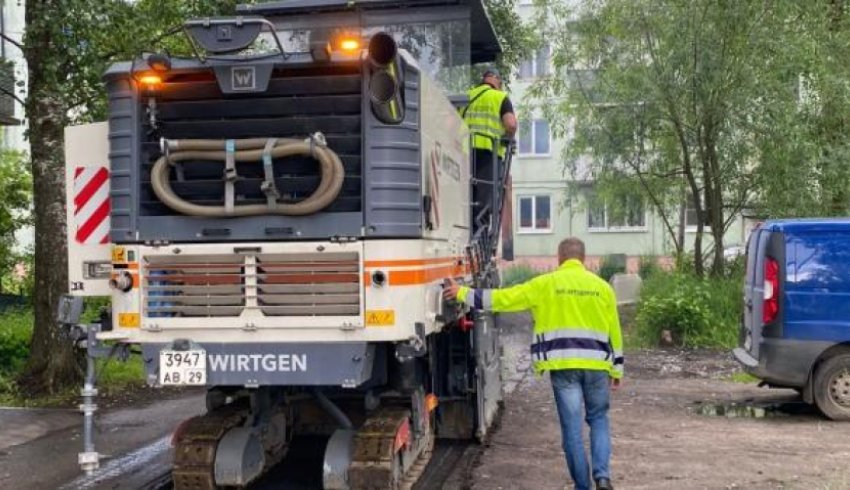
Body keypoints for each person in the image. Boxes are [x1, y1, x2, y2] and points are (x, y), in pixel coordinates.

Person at [443, 238, 623, 490]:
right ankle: (602, 477)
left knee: (571, 430)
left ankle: (583, 487)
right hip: (597, 366)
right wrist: (617, 367)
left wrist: (462, 292)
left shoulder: (545, 284)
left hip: (563, 366)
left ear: (560, 259)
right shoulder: (603, 288)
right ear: (583, 259)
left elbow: (504, 298)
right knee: (599, 419)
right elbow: (614, 330)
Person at [461, 68, 517, 233]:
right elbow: (511, 124)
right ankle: (482, 236)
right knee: (485, 199)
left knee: (467, 197)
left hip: (464, 154)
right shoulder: (500, 97)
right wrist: (508, 138)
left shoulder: (467, 96)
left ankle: (467, 232)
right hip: (488, 154)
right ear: (497, 81)